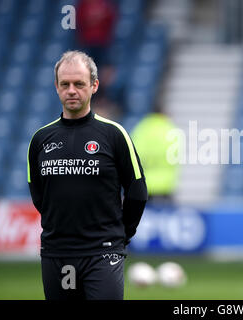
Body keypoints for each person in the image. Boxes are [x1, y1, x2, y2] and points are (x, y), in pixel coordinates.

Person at [27, 51, 148, 300]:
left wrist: (122, 235)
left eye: (79, 84)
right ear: (56, 87)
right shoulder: (40, 139)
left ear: (94, 86)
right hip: (57, 253)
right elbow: (40, 195)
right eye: (65, 84)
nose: (72, 90)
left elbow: (137, 191)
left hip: (103, 253)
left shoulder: (114, 134)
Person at [130, 104, 180, 205]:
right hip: (167, 184)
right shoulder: (170, 128)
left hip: (145, 184)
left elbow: (133, 154)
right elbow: (177, 153)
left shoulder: (142, 128)